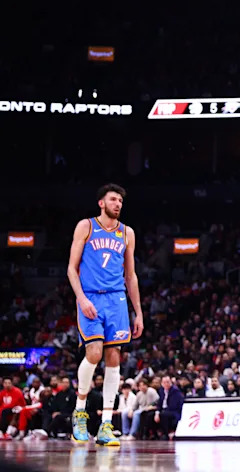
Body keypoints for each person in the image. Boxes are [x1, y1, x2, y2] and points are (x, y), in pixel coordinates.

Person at [67, 184, 144, 446]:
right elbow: (71, 269)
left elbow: (130, 275)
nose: (118, 204)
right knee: (94, 353)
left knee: (114, 357)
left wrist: (138, 313)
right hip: (90, 296)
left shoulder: (127, 233)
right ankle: (79, 413)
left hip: (117, 299)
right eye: (113, 199)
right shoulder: (86, 226)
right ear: (101, 202)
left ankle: (106, 425)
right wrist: (81, 298)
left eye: (120, 200)